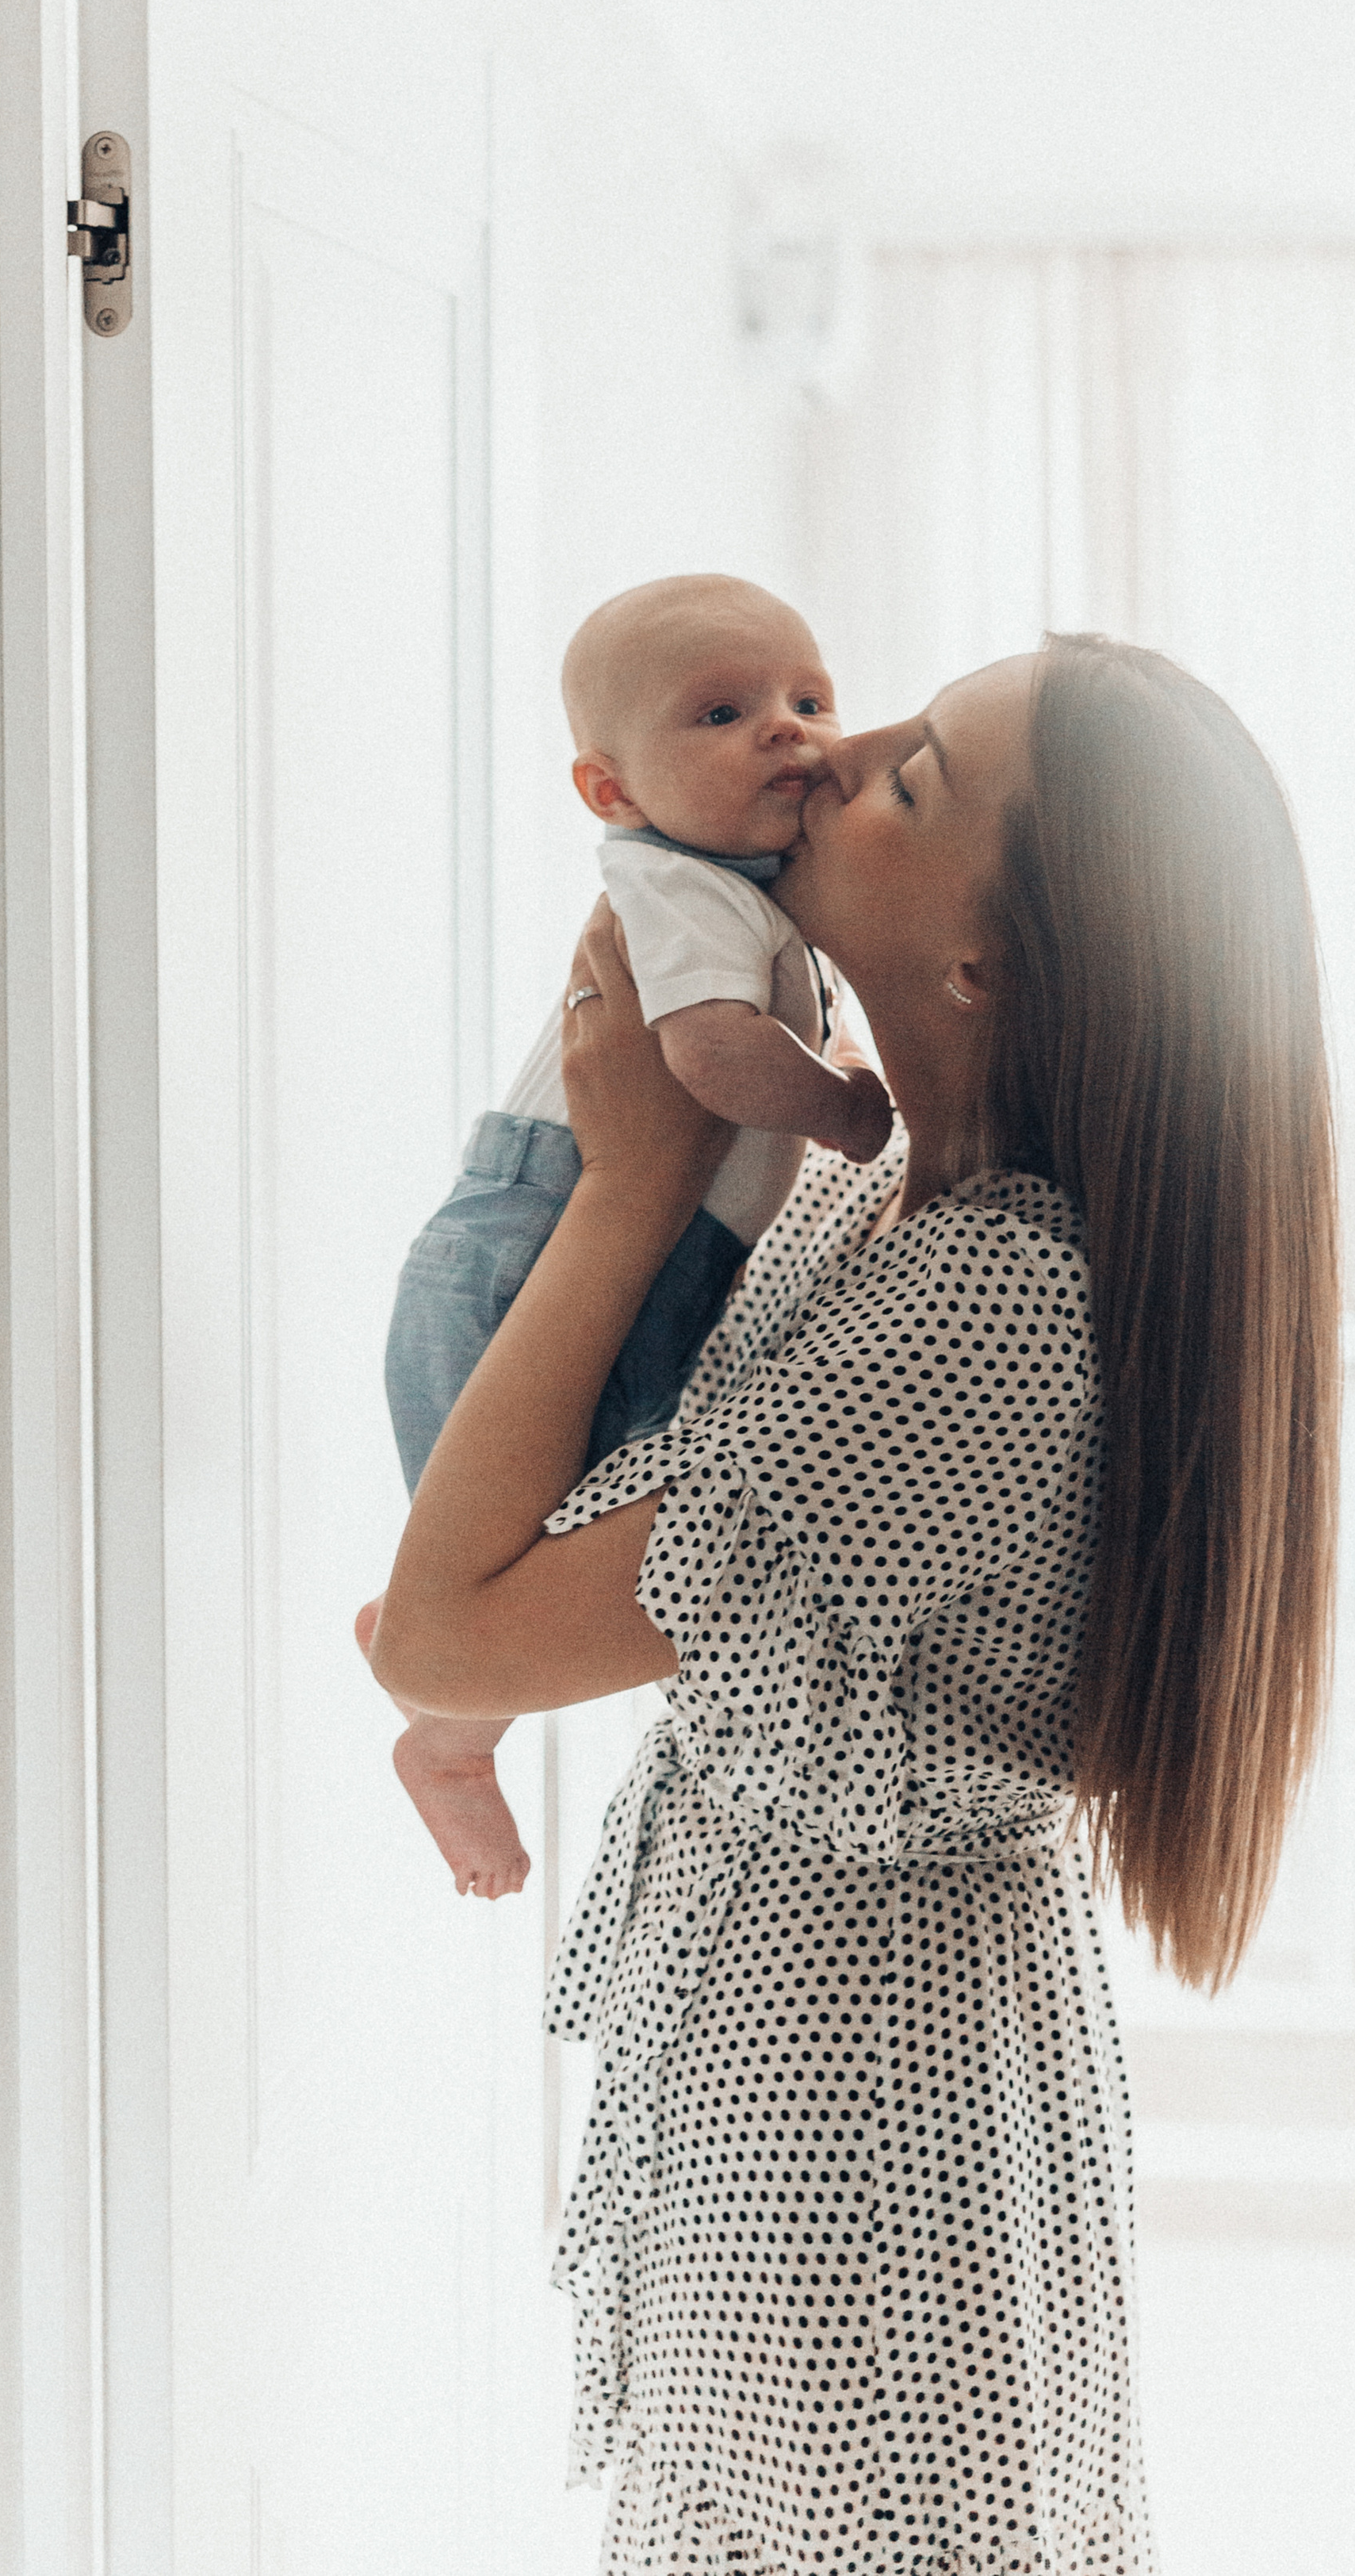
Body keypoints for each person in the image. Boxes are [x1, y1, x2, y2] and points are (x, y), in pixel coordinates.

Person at [362, 632, 1342, 2576]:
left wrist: (632, 1182)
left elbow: (446, 1628)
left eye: (913, 776)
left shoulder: (987, 1305)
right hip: (796, 2048)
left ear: (986, 965)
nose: (834, 752)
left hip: (854, 2110)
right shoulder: (861, 1180)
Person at [373, 573, 892, 1901]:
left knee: (579, 1546)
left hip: (636, 1245)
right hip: (535, 1242)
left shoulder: (752, 891)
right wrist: (845, 1107)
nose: (788, 730)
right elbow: (715, 1057)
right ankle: (442, 1722)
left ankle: (435, 1681)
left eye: (808, 697)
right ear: (611, 792)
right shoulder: (678, 885)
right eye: (723, 712)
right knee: (539, 1560)